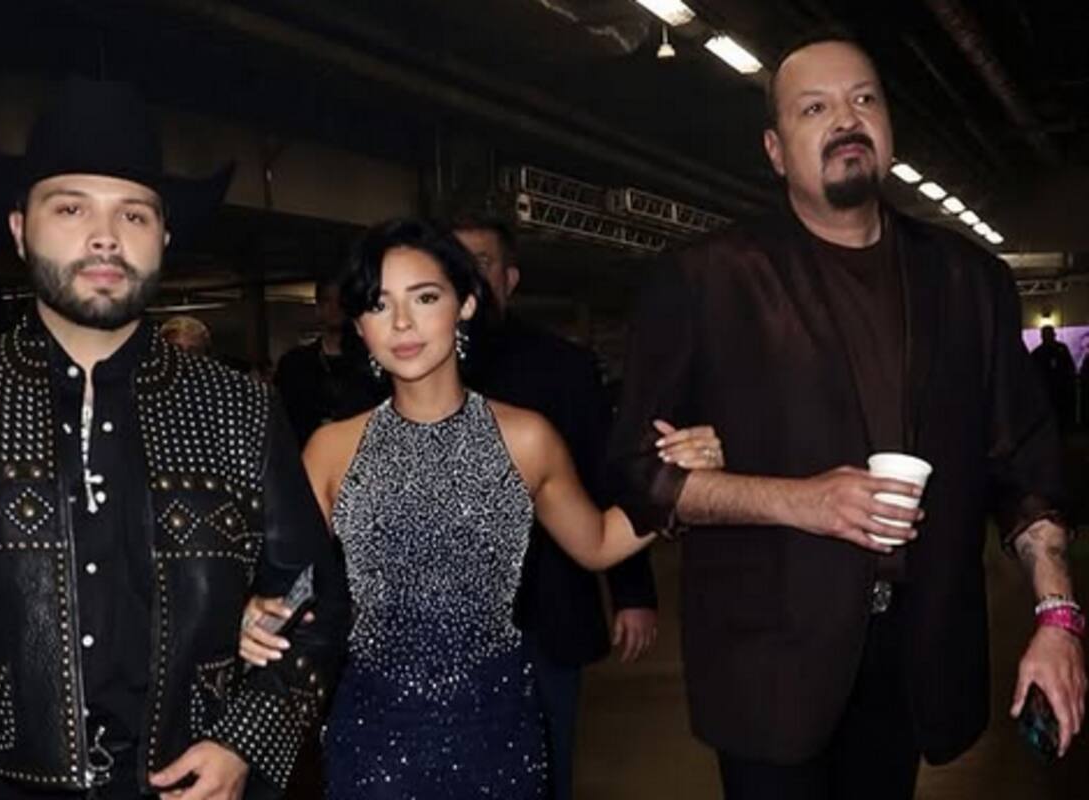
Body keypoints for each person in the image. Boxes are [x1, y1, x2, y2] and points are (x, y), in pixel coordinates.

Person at [607, 34, 1085, 800]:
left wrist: (1058, 618)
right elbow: (636, 472)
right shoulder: (706, 281)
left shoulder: (970, 282)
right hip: (768, 661)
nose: (846, 119)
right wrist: (796, 499)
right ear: (775, 148)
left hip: (913, 657)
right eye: (814, 107)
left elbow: (1024, 469)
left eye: (864, 99)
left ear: (889, 128)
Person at [0, 78, 349, 799]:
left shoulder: (240, 409)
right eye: (70, 207)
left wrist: (244, 741)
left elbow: (317, 598)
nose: (105, 235)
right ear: (20, 227)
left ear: (163, 237)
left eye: (133, 214)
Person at [238, 218, 722, 798]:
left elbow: (596, 542)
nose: (401, 323)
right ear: (360, 326)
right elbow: (294, 583)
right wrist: (252, 613)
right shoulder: (331, 449)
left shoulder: (526, 438)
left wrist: (674, 481)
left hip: (496, 730)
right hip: (371, 732)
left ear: (465, 304)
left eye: (424, 297)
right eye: (378, 304)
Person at [451, 211, 659, 800]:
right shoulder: (395, 384)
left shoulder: (561, 367)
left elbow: (602, 478)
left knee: (544, 772)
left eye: (481, 263)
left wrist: (633, 593)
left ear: (510, 279)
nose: (465, 277)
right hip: (434, 636)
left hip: (546, 608)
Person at [273, 277, 385, 442]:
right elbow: (284, 418)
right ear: (318, 307)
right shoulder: (295, 364)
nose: (335, 307)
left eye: (340, 301)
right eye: (327, 300)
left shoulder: (372, 362)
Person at [1030, 324, 1076, 431]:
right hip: (1047, 389)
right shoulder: (1038, 353)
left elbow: (1069, 366)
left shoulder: (1061, 349)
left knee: (1062, 413)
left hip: (1060, 388)